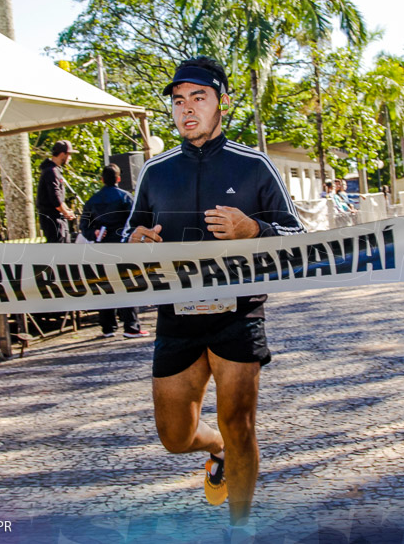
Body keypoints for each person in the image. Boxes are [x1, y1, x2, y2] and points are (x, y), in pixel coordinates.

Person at [123, 57, 304, 539]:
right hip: (176, 315)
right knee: (174, 436)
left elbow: (296, 236)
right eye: (179, 101)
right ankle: (216, 449)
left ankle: (240, 528)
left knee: (241, 423)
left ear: (221, 102)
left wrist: (253, 228)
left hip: (238, 312)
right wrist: (136, 242)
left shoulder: (253, 165)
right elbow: (128, 235)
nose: (187, 110)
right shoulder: (155, 172)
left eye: (198, 98)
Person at [79, 164, 148, 339]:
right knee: (127, 284)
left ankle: (107, 327)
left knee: (105, 285)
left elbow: (84, 226)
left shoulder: (92, 200)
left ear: (101, 179)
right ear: (118, 179)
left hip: (101, 248)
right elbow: (137, 220)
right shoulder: (125, 198)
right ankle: (131, 326)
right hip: (122, 246)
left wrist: (93, 233)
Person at [36, 140, 78, 243]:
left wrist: (67, 210)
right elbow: (56, 199)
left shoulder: (54, 170)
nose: (70, 158)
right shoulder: (51, 172)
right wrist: (66, 213)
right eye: (69, 155)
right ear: (63, 154)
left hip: (57, 220)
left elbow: (59, 198)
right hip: (53, 221)